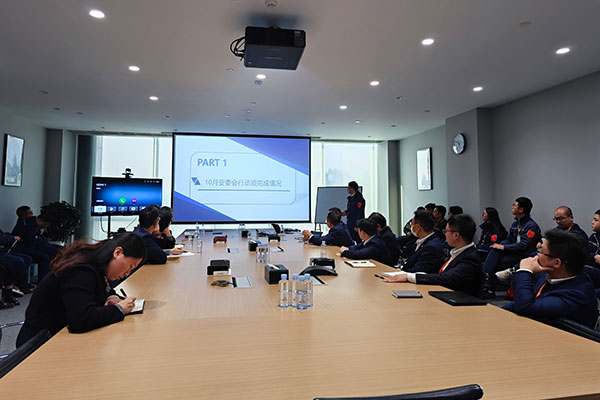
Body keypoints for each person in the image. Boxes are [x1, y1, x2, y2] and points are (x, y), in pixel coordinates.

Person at [16, 233, 146, 347]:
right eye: (130, 266)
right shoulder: (82, 270)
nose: (127, 274)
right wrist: (120, 309)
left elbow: (102, 288)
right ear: (117, 253)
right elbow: (81, 319)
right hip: (40, 343)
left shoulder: (95, 262)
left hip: (56, 333)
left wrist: (112, 297)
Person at [502, 230, 598, 328]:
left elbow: (526, 307)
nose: (536, 255)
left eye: (540, 251)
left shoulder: (576, 296)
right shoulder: (548, 274)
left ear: (556, 262)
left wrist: (525, 271)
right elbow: (519, 301)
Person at [384, 214, 483, 297]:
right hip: (444, 295)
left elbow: (446, 278)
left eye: (446, 231)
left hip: (459, 302)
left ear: (456, 235)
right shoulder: (456, 252)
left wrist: (409, 277)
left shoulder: (470, 258)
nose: (445, 234)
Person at [481, 197, 541, 298]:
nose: (512, 207)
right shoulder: (515, 224)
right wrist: (499, 245)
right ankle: (486, 283)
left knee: (495, 262)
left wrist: (503, 247)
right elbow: (509, 239)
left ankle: (486, 283)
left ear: (521, 209)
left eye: (515, 205)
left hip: (524, 256)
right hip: (513, 253)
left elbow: (523, 245)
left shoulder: (531, 226)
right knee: (494, 250)